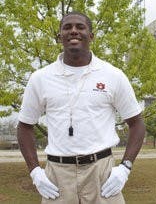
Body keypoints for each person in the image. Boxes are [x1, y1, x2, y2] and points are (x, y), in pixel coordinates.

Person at [17, 11, 146, 203]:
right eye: (67, 27)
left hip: (102, 173)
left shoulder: (113, 75)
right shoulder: (40, 78)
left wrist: (125, 168)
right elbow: (24, 126)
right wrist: (35, 172)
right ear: (60, 36)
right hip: (58, 174)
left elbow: (137, 124)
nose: (73, 31)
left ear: (91, 36)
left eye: (80, 27)